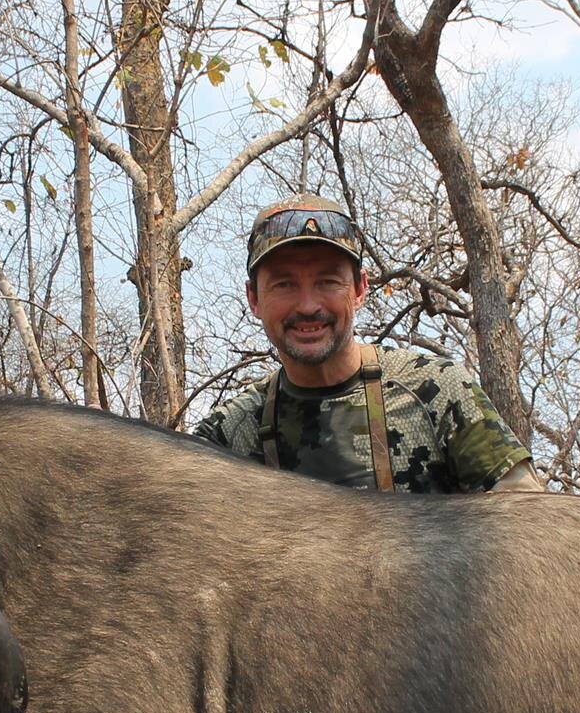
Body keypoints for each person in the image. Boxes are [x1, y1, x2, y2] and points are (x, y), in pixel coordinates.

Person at [192, 193, 543, 493]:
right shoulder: (228, 436)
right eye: (284, 285)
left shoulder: (436, 391)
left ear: (360, 289)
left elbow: (528, 528)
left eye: (328, 282)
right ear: (253, 298)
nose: (308, 306)